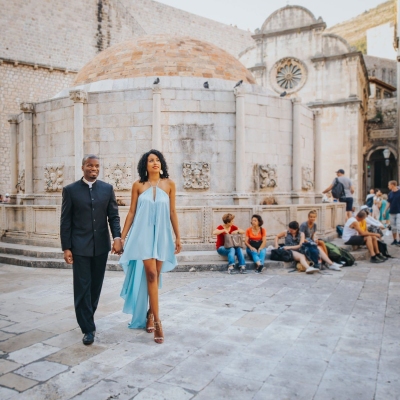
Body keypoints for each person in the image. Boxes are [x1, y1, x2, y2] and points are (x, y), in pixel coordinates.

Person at [119, 150, 181, 344]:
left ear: (161, 164)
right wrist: (121, 238)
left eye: (157, 160)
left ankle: (150, 314)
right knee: (151, 275)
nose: (155, 163)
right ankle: (159, 322)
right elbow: (131, 213)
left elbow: (172, 212)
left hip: (162, 236)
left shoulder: (169, 184)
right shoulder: (138, 185)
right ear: (145, 166)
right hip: (143, 235)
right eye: (150, 160)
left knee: (157, 274)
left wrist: (178, 237)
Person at [60, 155, 123, 345]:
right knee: (82, 288)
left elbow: (113, 216)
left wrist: (117, 238)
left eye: (96, 166)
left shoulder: (107, 189)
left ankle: (88, 318)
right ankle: (87, 328)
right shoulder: (70, 190)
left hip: (101, 247)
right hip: (79, 247)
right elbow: (66, 221)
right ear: (83, 167)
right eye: (89, 165)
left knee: (95, 288)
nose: (93, 169)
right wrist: (66, 247)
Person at [385, 180, 400, 245]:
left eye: (389, 185)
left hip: (399, 211)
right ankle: (394, 240)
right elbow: (389, 202)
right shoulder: (390, 193)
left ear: (392, 185)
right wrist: (385, 211)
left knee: (399, 226)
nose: (388, 186)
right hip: (392, 212)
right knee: (393, 227)